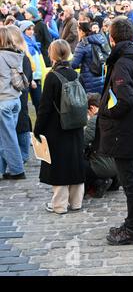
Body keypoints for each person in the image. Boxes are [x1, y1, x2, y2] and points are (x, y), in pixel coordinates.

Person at [97, 18, 133, 245]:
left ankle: (131, 228)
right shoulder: (132, 56)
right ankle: (131, 224)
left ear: (112, 38)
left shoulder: (124, 62)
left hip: (123, 131)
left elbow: (127, 99)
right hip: (130, 129)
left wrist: (108, 112)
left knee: (130, 181)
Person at [34, 39, 85, 214]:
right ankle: (76, 202)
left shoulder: (52, 77)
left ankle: (59, 205)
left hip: (57, 127)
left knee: (59, 165)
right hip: (76, 124)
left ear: (53, 54)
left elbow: (45, 107)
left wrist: (37, 129)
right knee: (76, 161)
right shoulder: (76, 74)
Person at [0, 27, 26, 180]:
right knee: (5, 136)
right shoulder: (16, 54)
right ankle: (3, 168)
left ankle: (17, 170)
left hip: (3, 100)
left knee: (8, 137)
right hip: (15, 99)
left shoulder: (2, 56)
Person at [84, 93, 118, 198]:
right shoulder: (113, 115)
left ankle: (97, 183)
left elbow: (83, 142)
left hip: (103, 166)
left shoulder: (95, 120)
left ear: (92, 108)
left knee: (78, 163)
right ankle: (113, 182)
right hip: (118, 164)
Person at [8, 25, 32, 164]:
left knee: (21, 122)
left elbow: (25, 78)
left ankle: (22, 154)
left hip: (18, 94)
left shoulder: (22, 56)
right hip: (12, 94)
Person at [71, 22, 108, 94]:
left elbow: (74, 64)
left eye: (78, 31)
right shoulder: (100, 39)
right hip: (102, 78)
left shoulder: (83, 44)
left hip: (88, 81)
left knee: (91, 103)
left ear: (81, 31)